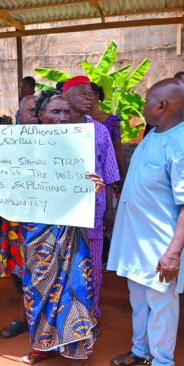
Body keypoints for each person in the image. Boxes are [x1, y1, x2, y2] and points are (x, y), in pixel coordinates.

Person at [0, 90, 106, 366]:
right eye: (56, 112)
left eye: (66, 112)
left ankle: (79, 357)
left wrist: (96, 185)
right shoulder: (24, 148)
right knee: (37, 290)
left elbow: (86, 185)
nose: (63, 117)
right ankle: (45, 345)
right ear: (40, 117)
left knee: (76, 289)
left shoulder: (78, 146)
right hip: (35, 232)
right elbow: (8, 183)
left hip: (70, 232)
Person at [107, 79, 184, 366]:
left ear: (162, 105)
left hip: (162, 242)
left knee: (161, 303)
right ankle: (141, 350)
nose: (144, 105)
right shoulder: (154, 135)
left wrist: (173, 252)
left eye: (148, 99)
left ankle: (163, 365)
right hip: (138, 240)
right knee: (139, 298)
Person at [63, 76, 121, 316]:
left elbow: (108, 173)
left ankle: (90, 311)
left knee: (93, 263)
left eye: (90, 94)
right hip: (61, 212)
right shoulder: (53, 131)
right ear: (66, 97)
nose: (88, 97)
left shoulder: (99, 130)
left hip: (94, 210)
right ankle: (65, 313)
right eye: (81, 93)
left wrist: (108, 209)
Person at [0, 95, 39, 339]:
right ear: (19, 115)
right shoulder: (9, 142)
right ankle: (25, 317)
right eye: (28, 110)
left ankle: (39, 318)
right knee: (18, 269)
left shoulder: (58, 141)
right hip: (16, 219)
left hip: (48, 219)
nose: (33, 114)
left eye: (37, 109)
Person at [89, 82, 127, 188]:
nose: (85, 98)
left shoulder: (110, 120)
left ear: (97, 96)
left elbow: (118, 150)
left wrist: (124, 179)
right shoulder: (76, 121)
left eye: (88, 94)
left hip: (106, 172)